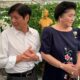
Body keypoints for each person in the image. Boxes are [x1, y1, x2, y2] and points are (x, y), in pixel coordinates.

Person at [0, 3, 42, 80]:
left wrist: (35, 57)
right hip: (15, 77)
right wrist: (21, 57)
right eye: (11, 17)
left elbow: (38, 53)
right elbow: (1, 62)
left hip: (33, 75)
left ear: (26, 17)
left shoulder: (35, 33)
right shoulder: (5, 35)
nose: (13, 20)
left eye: (16, 18)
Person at [40, 1, 80, 80]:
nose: (73, 19)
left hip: (72, 75)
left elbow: (79, 51)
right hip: (54, 74)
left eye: (74, 16)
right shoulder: (49, 31)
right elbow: (44, 54)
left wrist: (77, 68)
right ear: (60, 16)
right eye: (70, 16)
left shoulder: (76, 31)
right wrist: (63, 66)